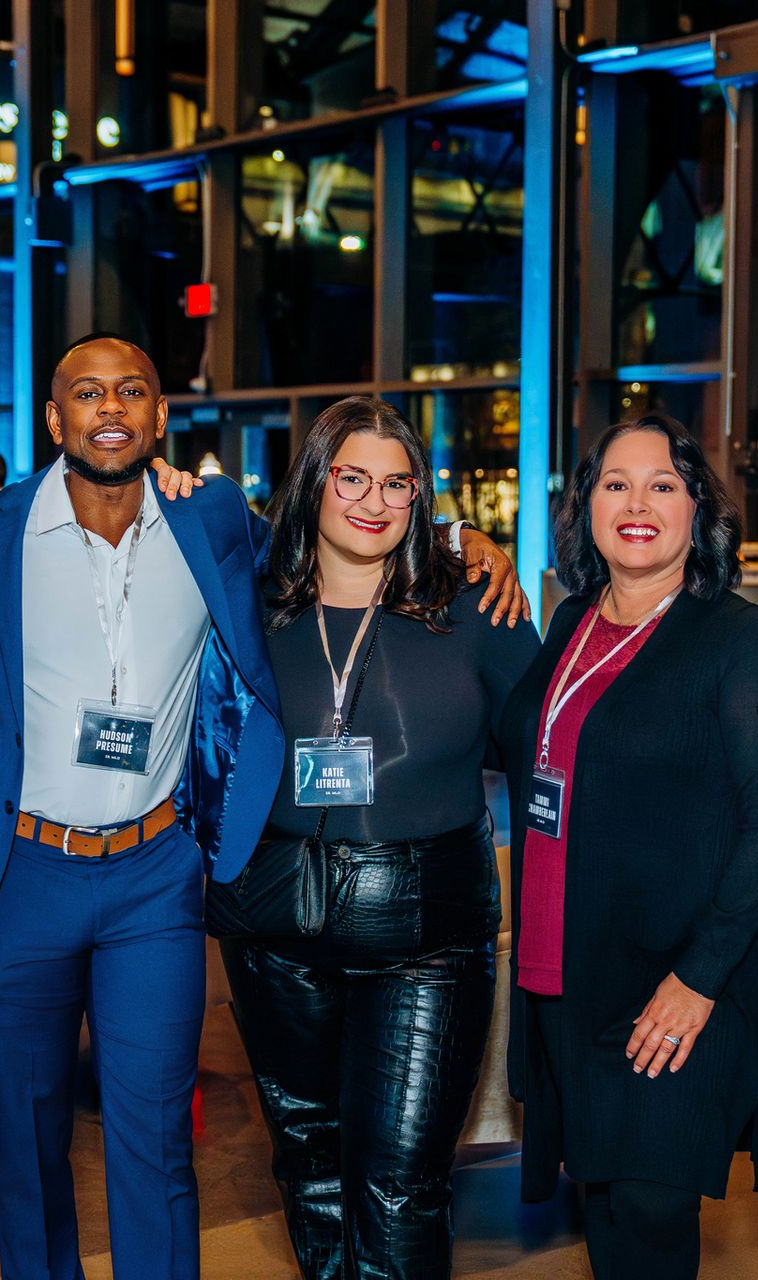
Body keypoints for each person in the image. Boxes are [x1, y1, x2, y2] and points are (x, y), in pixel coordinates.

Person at [0, 336, 524, 1280]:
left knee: (160, 1142)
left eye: (132, 392)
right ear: (54, 417)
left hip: (161, 875)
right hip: (31, 871)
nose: (111, 408)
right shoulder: (8, 533)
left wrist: (462, 538)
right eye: (87, 392)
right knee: (23, 1146)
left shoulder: (209, 528)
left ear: (163, 417)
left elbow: (358, 532)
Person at [217, 396, 540, 1279]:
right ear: (314, 482)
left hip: (427, 935)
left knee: (400, 1182)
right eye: (352, 477)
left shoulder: (477, 602)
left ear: (419, 497)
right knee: (310, 1167)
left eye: (397, 483)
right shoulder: (249, 603)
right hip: (273, 926)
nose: (373, 500)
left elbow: (557, 755)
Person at [501, 414, 758, 1280]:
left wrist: (699, 978)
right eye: (616, 483)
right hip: (568, 977)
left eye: (664, 484)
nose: (638, 503)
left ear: (698, 506)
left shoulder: (734, 638)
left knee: (654, 1219)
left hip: (674, 989)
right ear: (585, 504)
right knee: (608, 1215)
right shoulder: (569, 624)